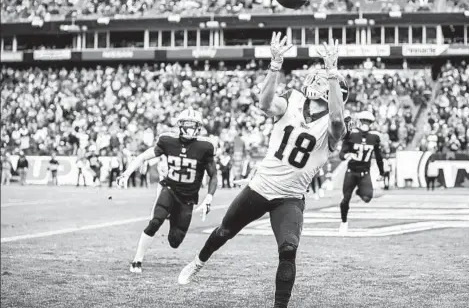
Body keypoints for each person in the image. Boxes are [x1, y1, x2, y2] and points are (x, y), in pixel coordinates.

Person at [177, 33, 348, 308]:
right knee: (224, 231)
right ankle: (198, 262)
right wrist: (275, 64)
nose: (315, 80)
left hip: (290, 198)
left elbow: (337, 119)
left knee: (288, 252)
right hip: (260, 187)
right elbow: (265, 104)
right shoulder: (292, 99)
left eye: (322, 80)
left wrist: (332, 72)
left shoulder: (336, 122)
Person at [117, 108, 218, 274]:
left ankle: (172, 215)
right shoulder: (168, 141)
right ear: (180, 125)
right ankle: (137, 260)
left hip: (188, 199)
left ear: (199, 127)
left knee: (175, 241)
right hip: (169, 189)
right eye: (187, 124)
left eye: (193, 125)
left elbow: (213, 175)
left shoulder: (204, 147)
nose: (190, 128)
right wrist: (126, 173)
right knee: (155, 221)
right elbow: (143, 157)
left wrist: (208, 198)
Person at [338, 110, 385, 234]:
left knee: (367, 197)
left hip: (364, 173)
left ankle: (359, 190)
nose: (365, 123)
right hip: (351, 172)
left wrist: (382, 172)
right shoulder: (352, 134)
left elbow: (379, 157)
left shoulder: (374, 137)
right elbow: (341, 153)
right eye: (364, 121)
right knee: (345, 200)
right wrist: (347, 155)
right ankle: (344, 222)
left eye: (368, 122)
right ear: (359, 121)